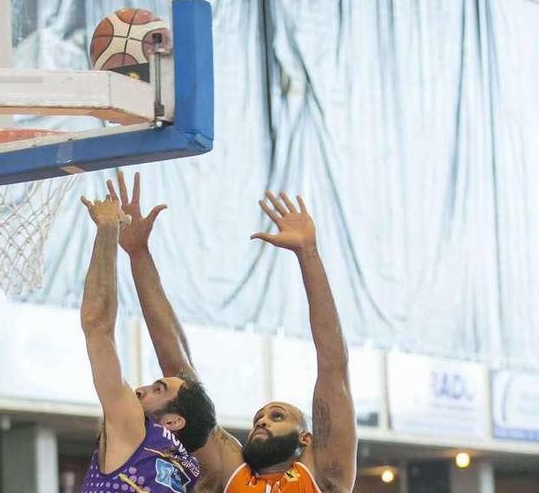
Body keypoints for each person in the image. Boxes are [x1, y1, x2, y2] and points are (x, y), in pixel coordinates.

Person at [108, 172, 357, 493]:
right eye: (259, 420)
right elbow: (179, 373)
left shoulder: (323, 475)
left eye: (277, 417)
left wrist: (308, 254)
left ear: (305, 439)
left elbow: (333, 364)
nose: (263, 422)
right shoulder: (231, 474)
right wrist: (138, 253)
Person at [77, 192, 217, 493]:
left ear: (173, 422)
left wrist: (106, 230)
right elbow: (181, 361)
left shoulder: (135, 431)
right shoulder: (189, 473)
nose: (140, 389)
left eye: (158, 390)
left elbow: (98, 327)